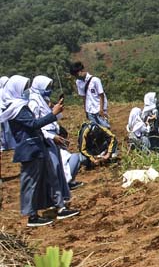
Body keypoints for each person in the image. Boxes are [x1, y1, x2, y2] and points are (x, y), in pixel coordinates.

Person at [0, 75, 71, 227]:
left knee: (50, 177)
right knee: (31, 183)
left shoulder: (20, 106)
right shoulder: (17, 108)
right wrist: (53, 114)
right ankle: (32, 216)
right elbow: (33, 124)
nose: (27, 91)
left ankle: (59, 206)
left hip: (37, 146)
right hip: (29, 149)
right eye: (24, 88)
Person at [29, 75, 78, 219]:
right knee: (53, 173)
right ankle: (59, 206)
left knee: (57, 171)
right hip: (45, 139)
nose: (49, 90)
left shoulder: (43, 101)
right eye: (47, 88)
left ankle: (58, 202)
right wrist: (51, 136)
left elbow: (51, 118)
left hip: (52, 138)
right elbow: (36, 125)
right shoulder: (34, 103)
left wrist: (58, 110)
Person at [69, 61, 109, 128]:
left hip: (98, 108)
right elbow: (83, 97)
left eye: (76, 74)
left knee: (105, 128)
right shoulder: (78, 82)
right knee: (94, 129)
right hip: (89, 110)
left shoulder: (95, 80)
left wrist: (101, 109)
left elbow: (101, 95)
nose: (76, 77)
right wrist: (86, 110)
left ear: (81, 71)